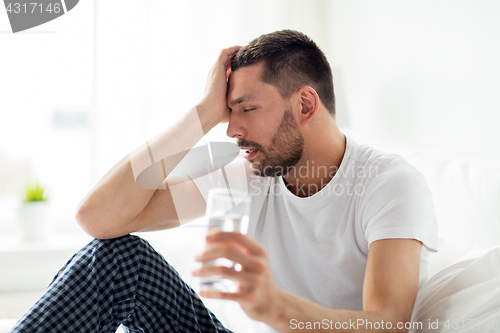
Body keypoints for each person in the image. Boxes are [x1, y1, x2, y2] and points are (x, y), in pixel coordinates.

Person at [12, 30, 437, 333]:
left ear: (305, 104)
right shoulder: (248, 174)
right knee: (119, 259)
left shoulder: (388, 183)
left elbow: (388, 324)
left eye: (246, 109)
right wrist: (203, 113)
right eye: (226, 113)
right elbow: (98, 218)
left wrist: (273, 307)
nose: (231, 130)